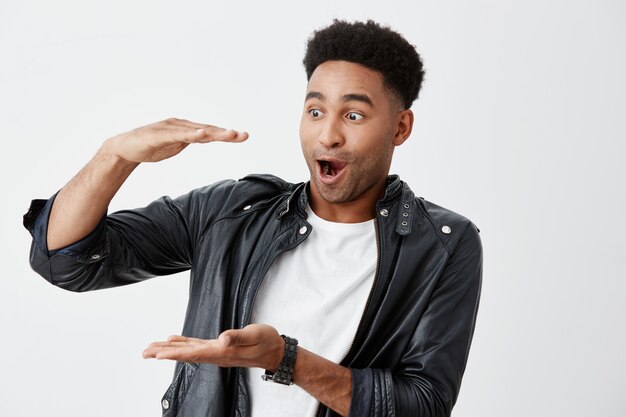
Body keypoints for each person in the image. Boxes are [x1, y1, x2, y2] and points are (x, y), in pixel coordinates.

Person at [23, 19, 482, 417]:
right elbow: (66, 261)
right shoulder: (232, 213)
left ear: (400, 127)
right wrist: (115, 157)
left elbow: (423, 405)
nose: (329, 134)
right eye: (315, 110)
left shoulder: (441, 244)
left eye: (355, 115)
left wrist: (287, 359)